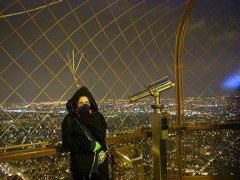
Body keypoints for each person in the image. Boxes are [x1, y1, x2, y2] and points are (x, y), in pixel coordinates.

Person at [62, 86, 109, 180]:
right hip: (82, 169)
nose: (84, 105)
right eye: (81, 103)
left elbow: (101, 135)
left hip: (100, 166)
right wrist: (88, 145)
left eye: (87, 102)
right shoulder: (70, 120)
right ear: (76, 104)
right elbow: (67, 143)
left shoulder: (98, 117)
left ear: (91, 103)